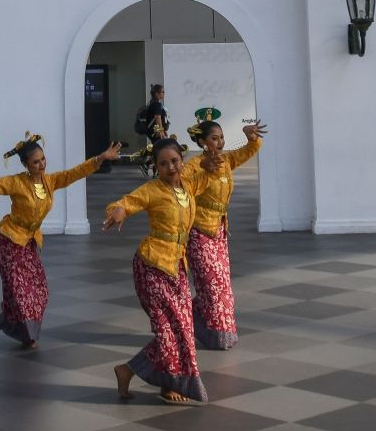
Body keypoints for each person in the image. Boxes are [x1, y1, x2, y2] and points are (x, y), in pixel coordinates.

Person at [0, 134, 123, 349]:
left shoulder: (50, 181)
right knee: (19, 293)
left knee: (39, 292)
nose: (42, 164)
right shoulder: (16, 182)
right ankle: (25, 335)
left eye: (43, 159)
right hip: (7, 242)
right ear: (26, 164)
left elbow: (74, 173)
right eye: (36, 162)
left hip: (29, 243)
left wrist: (100, 158)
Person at [103, 137, 219, 405]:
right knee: (169, 331)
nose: (171, 167)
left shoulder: (189, 185)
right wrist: (118, 211)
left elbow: (208, 170)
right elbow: (126, 202)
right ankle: (166, 383)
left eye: (175, 161)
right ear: (156, 167)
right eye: (163, 164)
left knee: (183, 331)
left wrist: (214, 161)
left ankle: (129, 371)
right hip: (151, 266)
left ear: (182, 160)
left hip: (177, 268)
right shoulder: (152, 190)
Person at [184, 117, 266, 350]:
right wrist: (202, 172)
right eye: (214, 138)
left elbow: (249, 150)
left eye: (221, 137)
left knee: (222, 286)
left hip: (219, 232)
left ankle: (202, 325)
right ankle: (198, 325)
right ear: (202, 141)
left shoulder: (226, 160)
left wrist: (250, 135)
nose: (219, 143)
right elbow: (179, 185)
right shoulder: (193, 164)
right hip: (199, 231)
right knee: (211, 286)